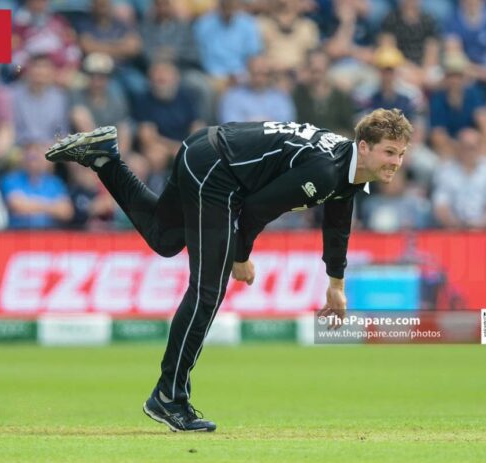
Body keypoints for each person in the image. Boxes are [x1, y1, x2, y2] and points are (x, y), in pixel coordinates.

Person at [45, 108, 413, 431]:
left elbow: (337, 217)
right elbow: (257, 209)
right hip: (216, 169)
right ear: (364, 146)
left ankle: (105, 158)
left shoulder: (344, 170)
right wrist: (240, 255)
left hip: (207, 151)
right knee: (209, 290)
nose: (395, 162)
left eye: (400, 154)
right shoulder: (326, 170)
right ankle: (169, 398)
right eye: (389, 152)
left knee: (164, 237)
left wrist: (336, 282)